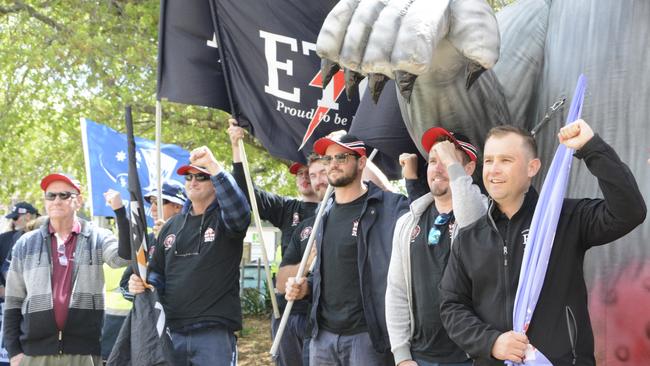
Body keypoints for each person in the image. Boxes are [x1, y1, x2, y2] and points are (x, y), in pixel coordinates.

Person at [439, 121, 646, 365]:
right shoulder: (469, 239)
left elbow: (629, 212)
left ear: (532, 167)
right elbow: (452, 306)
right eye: (490, 160)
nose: (493, 170)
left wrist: (592, 148)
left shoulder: (564, 218)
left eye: (506, 160)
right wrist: (491, 342)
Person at [285, 133, 409, 366]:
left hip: (367, 338)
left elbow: (409, 207)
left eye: (341, 157)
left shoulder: (383, 207)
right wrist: (306, 288)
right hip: (322, 337)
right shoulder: (323, 215)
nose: (333, 164)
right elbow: (331, 274)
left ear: (361, 163)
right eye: (328, 159)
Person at [128, 146, 250, 366]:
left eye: (201, 177)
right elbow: (157, 273)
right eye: (189, 177)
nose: (193, 181)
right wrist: (143, 283)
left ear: (214, 183)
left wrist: (215, 167)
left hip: (214, 332)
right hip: (172, 330)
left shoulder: (226, 220)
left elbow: (240, 210)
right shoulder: (171, 226)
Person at [3, 173, 128, 366]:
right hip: (33, 355)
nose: (56, 200)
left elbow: (123, 257)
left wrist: (120, 212)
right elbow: (13, 301)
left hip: (83, 353)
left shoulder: (97, 237)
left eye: (64, 195)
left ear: (78, 200)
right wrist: (14, 352)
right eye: (51, 196)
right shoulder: (26, 243)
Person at [386, 127, 487, 366]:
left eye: (446, 160)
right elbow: (396, 290)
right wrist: (402, 356)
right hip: (420, 357)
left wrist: (453, 165)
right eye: (432, 161)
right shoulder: (407, 222)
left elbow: (470, 221)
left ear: (469, 169)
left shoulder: (484, 212)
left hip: (469, 357)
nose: (438, 167)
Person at [228, 121, 320, 366]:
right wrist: (237, 147)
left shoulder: (335, 206)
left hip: (322, 313)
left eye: (307, 171)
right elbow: (247, 191)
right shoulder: (287, 208)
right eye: (298, 173)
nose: (303, 177)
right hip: (287, 310)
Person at [100, 181, 186, 360]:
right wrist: (138, 290)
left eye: (159, 203)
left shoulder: (190, 235)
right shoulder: (147, 240)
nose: (153, 209)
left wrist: (171, 240)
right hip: (153, 329)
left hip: (185, 325)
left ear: (178, 206)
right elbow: (125, 284)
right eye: (152, 203)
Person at [0, 203, 39, 287]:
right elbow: (6, 265)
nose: (13, 221)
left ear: (28, 216)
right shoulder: (16, 236)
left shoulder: (45, 234)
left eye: (15, 217)